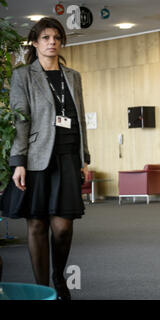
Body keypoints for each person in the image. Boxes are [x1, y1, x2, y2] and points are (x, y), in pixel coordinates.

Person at [0, 17, 90, 300]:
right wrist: (18, 162)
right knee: (37, 224)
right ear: (36, 43)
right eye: (46, 38)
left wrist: (84, 157)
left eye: (56, 38)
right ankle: (42, 290)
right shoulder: (23, 75)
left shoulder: (72, 76)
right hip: (37, 159)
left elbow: (80, 118)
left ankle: (58, 277)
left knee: (62, 227)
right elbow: (20, 122)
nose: (52, 42)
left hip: (67, 156)